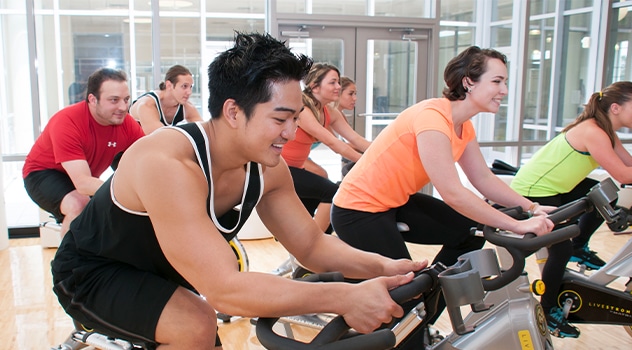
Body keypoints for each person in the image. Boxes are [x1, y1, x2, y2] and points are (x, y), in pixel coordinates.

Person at [51, 32, 426, 349]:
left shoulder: (268, 169)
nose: (291, 133)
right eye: (280, 118)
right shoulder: (167, 162)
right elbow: (225, 291)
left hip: (161, 274)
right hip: (92, 271)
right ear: (233, 112)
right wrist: (345, 296)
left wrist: (385, 266)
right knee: (195, 322)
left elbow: (311, 247)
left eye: (295, 118)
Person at [331, 47, 554, 346]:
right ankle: (410, 324)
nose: (505, 90)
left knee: (469, 234)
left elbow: (483, 178)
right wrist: (516, 226)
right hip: (357, 210)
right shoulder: (433, 117)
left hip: (394, 203)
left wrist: (531, 208)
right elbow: (452, 193)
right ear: (468, 82)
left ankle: (422, 312)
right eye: (497, 81)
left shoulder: (464, 125)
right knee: (407, 297)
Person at [510, 80, 632, 338]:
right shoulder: (593, 131)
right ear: (616, 108)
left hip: (556, 187)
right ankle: (549, 310)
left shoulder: (606, 130)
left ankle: (579, 247)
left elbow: (629, 162)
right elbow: (623, 172)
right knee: (559, 247)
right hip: (533, 190)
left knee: (604, 196)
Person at [23, 67, 145, 240]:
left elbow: (146, 156)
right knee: (78, 205)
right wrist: (129, 193)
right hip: (43, 173)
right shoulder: (67, 121)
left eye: (126, 99)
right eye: (114, 100)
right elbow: (83, 183)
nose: (123, 107)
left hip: (83, 174)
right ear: (93, 99)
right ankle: (64, 265)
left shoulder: (127, 124)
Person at [281, 64, 370, 232]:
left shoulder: (330, 112)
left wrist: (383, 150)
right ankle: (313, 246)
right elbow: (333, 143)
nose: (338, 87)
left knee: (327, 211)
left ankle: (306, 246)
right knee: (332, 193)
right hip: (280, 169)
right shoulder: (303, 109)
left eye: (338, 82)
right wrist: (368, 162)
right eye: (333, 82)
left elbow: (356, 140)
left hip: (297, 168)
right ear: (315, 86)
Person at [129, 64, 203, 134]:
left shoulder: (187, 107)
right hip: (123, 142)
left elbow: (204, 132)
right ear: (169, 85)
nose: (189, 92)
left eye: (190, 87)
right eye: (184, 86)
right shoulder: (147, 105)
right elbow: (159, 138)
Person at [332, 76, 358, 177]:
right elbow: (336, 145)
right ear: (337, 93)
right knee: (322, 175)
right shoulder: (329, 113)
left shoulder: (340, 114)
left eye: (355, 94)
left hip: (303, 155)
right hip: (291, 156)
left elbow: (354, 141)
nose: (355, 98)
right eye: (351, 94)